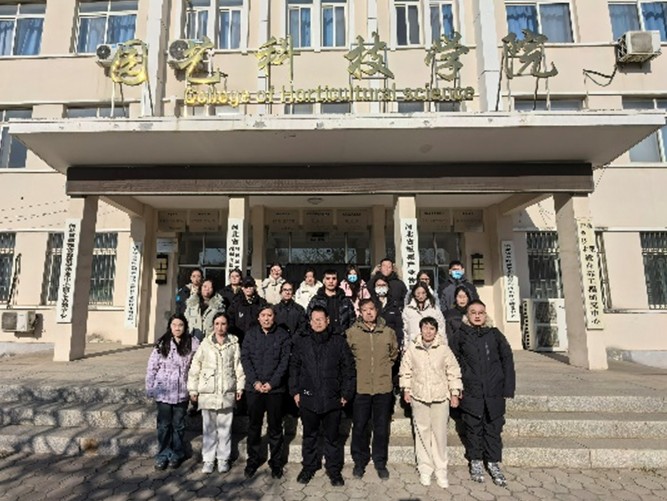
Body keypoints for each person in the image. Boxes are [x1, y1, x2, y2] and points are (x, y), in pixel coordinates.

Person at [450, 300, 515, 486]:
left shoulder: (494, 334)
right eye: (473, 312)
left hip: (494, 391)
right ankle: (476, 461)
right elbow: (452, 362)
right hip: (471, 391)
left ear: (485, 314)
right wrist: (456, 388)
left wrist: (508, 388)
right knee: (473, 429)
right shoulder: (460, 335)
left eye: (481, 312)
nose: (477, 316)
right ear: (467, 315)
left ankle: (493, 463)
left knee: (493, 429)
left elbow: (507, 360)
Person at [290, 306, 356, 487]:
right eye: (314, 319)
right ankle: (308, 467)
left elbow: (349, 369)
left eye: (321, 319)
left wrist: (346, 394)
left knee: (332, 438)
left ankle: (333, 470)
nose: (318, 323)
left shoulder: (338, 341)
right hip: (308, 398)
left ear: (328, 320)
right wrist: (295, 391)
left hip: (332, 398)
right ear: (310, 322)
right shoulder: (302, 342)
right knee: (309, 437)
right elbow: (294, 368)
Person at [399, 317, 462, 488]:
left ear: (436, 331)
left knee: (440, 435)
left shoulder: (444, 349)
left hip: (440, 397)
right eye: (425, 328)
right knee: (422, 433)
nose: (428, 331)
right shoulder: (412, 349)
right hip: (419, 396)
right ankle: (425, 469)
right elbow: (405, 371)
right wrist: (406, 389)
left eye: (432, 328)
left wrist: (455, 393)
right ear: (420, 330)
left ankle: (441, 470)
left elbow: (453, 372)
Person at [346, 299, 399, 480]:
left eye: (371, 309)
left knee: (381, 427)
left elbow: (394, 354)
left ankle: (380, 461)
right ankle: (359, 461)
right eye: (364, 310)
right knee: (359, 426)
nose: (368, 313)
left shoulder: (388, 332)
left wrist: (384, 368)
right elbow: (347, 358)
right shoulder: (352, 333)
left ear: (377, 310)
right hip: (361, 387)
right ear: (360, 312)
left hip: (383, 387)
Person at [187, 312, 245, 474]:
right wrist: (193, 389)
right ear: (213, 325)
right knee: (209, 429)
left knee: (225, 429)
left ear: (227, 325)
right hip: (208, 392)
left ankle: (223, 458)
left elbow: (238, 367)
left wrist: (239, 387)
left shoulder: (233, 343)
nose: (220, 327)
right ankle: (208, 459)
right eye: (217, 324)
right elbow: (195, 367)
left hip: (227, 391)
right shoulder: (205, 344)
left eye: (223, 324)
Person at [240, 306, 291, 480]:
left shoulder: (283, 335)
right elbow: (245, 358)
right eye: (263, 315)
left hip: (275, 390)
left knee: (275, 427)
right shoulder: (251, 334)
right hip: (254, 389)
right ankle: (253, 460)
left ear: (274, 317)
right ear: (258, 318)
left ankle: (276, 463)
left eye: (269, 315)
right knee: (254, 427)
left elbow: (284, 362)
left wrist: (271, 383)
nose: (266, 318)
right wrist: (255, 382)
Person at [145, 313, 199, 470]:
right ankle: (163, 454)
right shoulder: (162, 343)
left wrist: (195, 388)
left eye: (180, 325)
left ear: (185, 327)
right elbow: (152, 367)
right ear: (170, 326)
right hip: (163, 391)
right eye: (174, 325)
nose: (177, 328)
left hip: (182, 391)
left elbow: (198, 365)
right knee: (163, 425)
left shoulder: (193, 343)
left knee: (179, 425)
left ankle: (177, 453)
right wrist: (150, 387)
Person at [307, 269, 355, 336]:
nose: (331, 281)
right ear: (323, 281)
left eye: (334, 278)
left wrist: (348, 334)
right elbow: (309, 320)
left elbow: (352, 320)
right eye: (328, 278)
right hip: (322, 337)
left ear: (337, 281)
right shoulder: (316, 300)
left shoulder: (345, 301)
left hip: (342, 337)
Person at [403, 282, 447, 347]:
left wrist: (443, 345)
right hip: (413, 346)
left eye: (423, 293)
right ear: (414, 293)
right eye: (418, 293)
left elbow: (441, 329)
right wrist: (405, 347)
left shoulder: (434, 309)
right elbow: (405, 331)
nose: (421, 296)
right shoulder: (408, 310)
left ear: (427, 293)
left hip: (432, 346)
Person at [228, 276, 267, 345]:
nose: (248, 288)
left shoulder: (261, 303)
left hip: (256, 340)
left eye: (250, 286)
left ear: (254, 287)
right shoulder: (236, 303)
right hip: (239, 340)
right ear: (242, 288)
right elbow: (230, 320)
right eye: (246, 286)